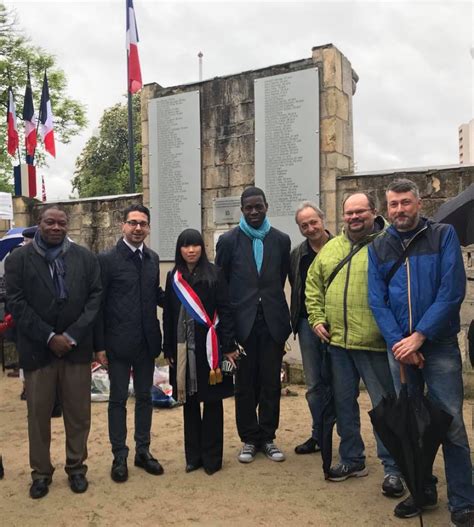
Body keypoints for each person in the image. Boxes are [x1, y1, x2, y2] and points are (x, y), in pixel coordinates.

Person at [368, 178, 474, 526]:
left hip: (438, 343)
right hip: (399, 348)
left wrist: (420, 336)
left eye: (406, 203)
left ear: (419, 203)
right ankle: (421, 489)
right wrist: (401, 342)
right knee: (412, 424)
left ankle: (462, 499)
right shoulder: (379, 246)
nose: (400, 210)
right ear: (387, 209)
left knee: (451, 422)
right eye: (394, 204)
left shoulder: (443, 235)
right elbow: (377, 300)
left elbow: (451, 291)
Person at [305, 192, 404, 497]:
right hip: (338, 344)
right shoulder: (332, 247)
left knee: (384, 407)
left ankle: (393, 468)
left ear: (374, 212)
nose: (354, 217)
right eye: (349, 213)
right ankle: (352, 458)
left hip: (375, 343)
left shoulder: (390, 244)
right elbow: (313, 285)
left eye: (360, 211)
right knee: (343, 405)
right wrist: (317, 318)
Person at [5, 205, 102, 499]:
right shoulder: (19, 259)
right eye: (50, 222)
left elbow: (95, 297)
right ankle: (41, 473)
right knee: (38, 415)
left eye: (61, 222)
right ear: (39, 223)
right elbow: (16, 302)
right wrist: (49, 337)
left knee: (78, 414)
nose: (56, 227)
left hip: (76, 348)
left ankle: (76, 468)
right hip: (38, 351)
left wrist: (71, 335)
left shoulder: (84, 257)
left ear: (68, 225)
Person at [215, 186, 291, 463]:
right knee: (244, 385)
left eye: (259, 206)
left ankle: (268, 437)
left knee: (271, 383)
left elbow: (281, 278)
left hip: (272, 323)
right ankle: (249, 438)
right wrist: (227, 333)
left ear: (266, 206)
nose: (254, 212)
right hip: (241, 325)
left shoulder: (281, 241)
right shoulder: (228, 241)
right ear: (242, 210)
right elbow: (221, 285)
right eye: (249, 207)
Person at [95, 204, 164, 483]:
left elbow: (155, 294)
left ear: (148, 228)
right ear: (123, 226)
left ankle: (142, 451)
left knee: (145, 398)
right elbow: (98, 305)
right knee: (118, 400)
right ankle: (119, 455)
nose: (138, 228)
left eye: (143, 224)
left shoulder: (152, 258)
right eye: (133, 223)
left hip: (146, 342)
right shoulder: (107, 260)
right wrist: (99, 347)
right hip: (117, 343)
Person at [163, 229, 238, 475]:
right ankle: (193, 456)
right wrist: (168, 347)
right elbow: (169, 314)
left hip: (210, 349)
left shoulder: (215, 273)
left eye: (195, 245)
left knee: (213, 403)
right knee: (190, 403)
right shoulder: (173, 276)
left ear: (202, 248)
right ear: (179, 249)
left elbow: (226, 310)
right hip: (185, 350)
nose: (191, 250)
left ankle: (212, 457)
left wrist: (228, 346)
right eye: (186, 246)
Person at [289, 201, 331, 455]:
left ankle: (347, 438)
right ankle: (319, 434)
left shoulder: (342, 247)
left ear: (323, 220)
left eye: (313, 222)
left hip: (340, 325)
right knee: (314, 384)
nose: (310, 228)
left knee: (341, 385)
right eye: (304, 225)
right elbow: (295, 285)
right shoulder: (297, 254)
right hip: (307, 326)